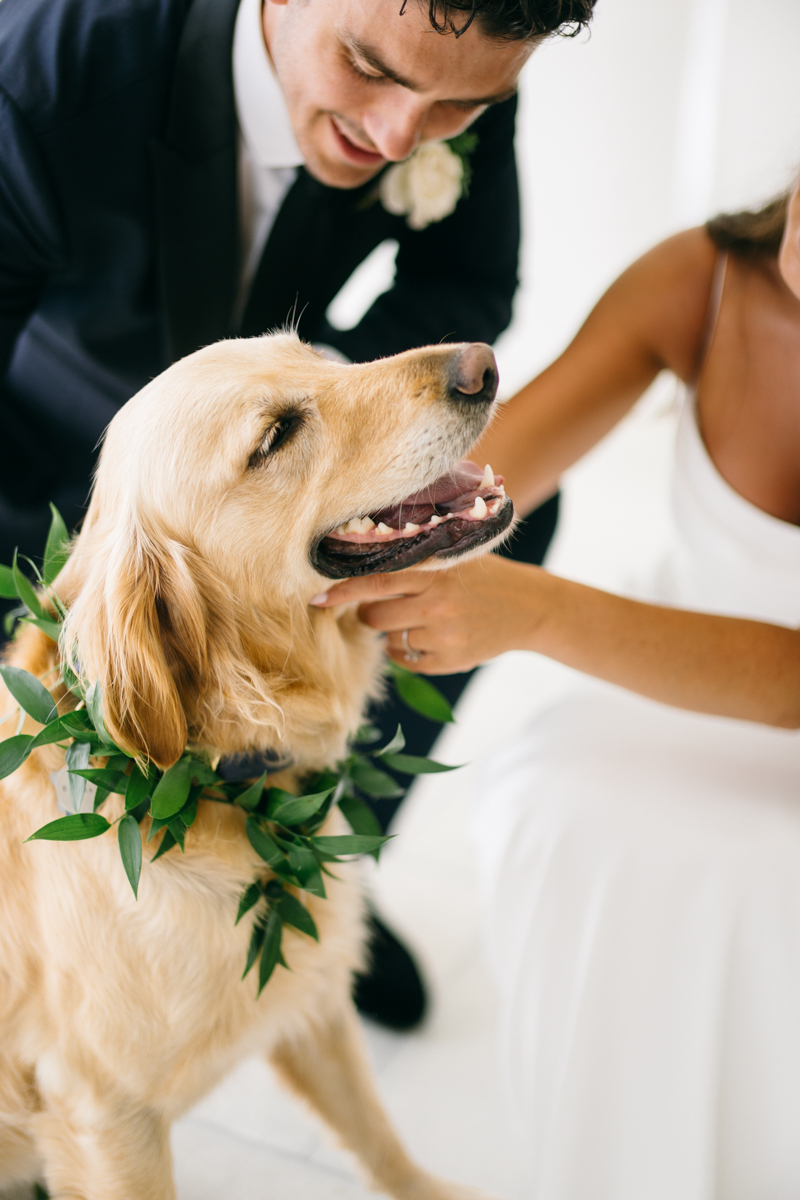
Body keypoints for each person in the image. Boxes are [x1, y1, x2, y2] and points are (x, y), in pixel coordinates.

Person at [0, 0, 594, 1029]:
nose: (401, 135)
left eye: (460, 107)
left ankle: (312, 876)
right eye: (365, 67)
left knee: (511, 512)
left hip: (284, 437)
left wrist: (317, 428)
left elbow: (465, 279)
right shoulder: (40, 82)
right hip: (43, 489)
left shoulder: (444, 57)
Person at [312, 178, 800, 1195]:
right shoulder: (700, 279)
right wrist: (330, 557)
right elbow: (489, 477)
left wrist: (530, 611)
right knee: (558, 798)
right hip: (669, 684)